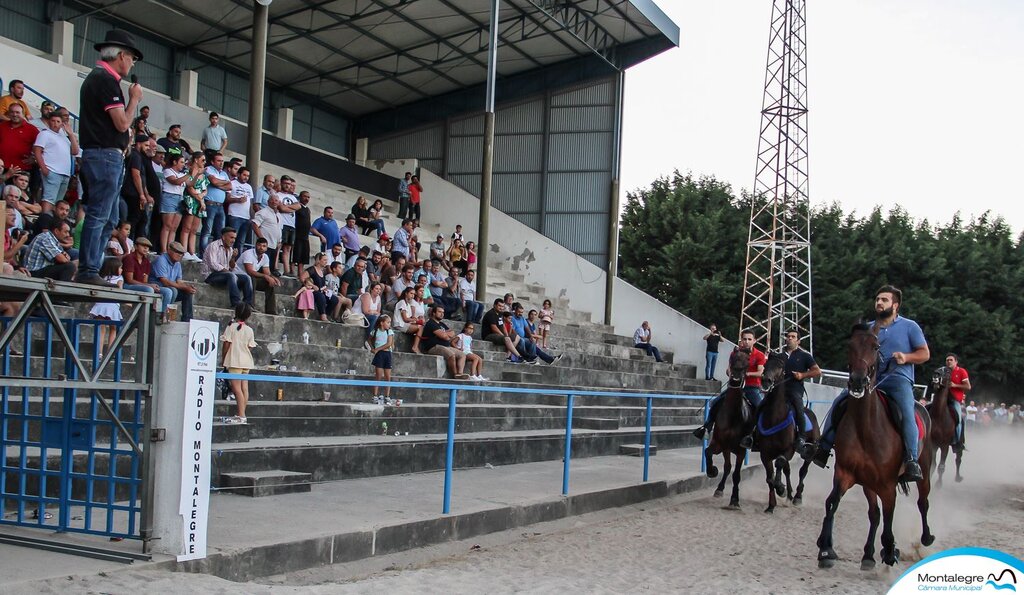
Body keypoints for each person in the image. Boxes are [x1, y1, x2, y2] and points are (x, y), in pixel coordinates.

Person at [809, 285, 929, 482]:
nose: (879, 303)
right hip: (870, 380)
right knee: (840, 401)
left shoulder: (910, 326)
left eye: (884, 300)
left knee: (908, 412)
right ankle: (823, 446)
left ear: (895, 305)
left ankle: (911, 459)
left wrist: (906, 357)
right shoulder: (870, 329)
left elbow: (925, 354)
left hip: (898, 380)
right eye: (877, 299)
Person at [77, 29, 143, 287]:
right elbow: (121, 122)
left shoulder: (100, 78)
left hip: (105, 154)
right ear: (122, 55)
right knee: (100, 214)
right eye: (132, 58)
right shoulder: (105, 79)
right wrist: (134, 100)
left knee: (111, 217)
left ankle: (92, 266)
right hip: (104, 155)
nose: (132, 63)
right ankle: (88, 268)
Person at [741, 329, 821, 455]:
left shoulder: (805, 356)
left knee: (799, 408)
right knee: (761, 405)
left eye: (793, 337)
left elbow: (817, 371)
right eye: (788, 336)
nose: (789, 338)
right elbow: (769, 370)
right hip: (777, 390)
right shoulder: (779, 356)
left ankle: (801, 437)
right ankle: (751, 435)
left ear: (798, 341)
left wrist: (802, 375)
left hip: (794, 389)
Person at [692, 329, 768, 440]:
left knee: (760, 407)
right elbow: (728, 370)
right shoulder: (735, 353)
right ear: (741, 340)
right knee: (715, 402)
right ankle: (706, 428)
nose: (746, 341)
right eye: (744, 339)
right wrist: (731, 373)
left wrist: (746, 374)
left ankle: (757, 434)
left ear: (754, 341)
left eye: (749, 339)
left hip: (751, 387)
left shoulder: (759, 355)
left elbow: (760, 372)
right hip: (735, 386)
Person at [32, 111, 77, 212]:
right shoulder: (45, 134)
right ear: (48, 122)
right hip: (52, 171)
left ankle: (54, 223)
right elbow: (37, 150)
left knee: (58, 202)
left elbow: (75, 151)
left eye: (58, 121)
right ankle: (45, 221)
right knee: (49, 199)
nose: (55, 123)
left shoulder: (64, 138)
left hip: (65, 173)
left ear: (61, 123)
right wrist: (43, 168)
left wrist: (70, 134)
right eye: (53, 121)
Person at [221, 303, 256, 425]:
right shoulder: (249, 330)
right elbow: (250, 346)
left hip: (235, 361)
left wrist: (224, 358)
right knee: (244, 388)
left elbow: (226, 344)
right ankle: (242, 414)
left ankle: (241, 416)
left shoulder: (231, 327)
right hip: (246, 361)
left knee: (237, 389)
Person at [121, 237, 172, 318]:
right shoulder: (129, 258)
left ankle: (160, 316)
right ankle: (145, 316)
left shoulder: (147, 261)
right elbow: (129, 280)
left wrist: (151, 285)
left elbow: (145, 280)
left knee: (167, 291)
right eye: (143, 245)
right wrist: (149, 286)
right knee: (149, 289)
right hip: (127, 285)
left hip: (141, 285)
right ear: (136, 246)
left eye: (147, 247)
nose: (146, 248)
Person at [202, 227, 252, 308]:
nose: (233, 240)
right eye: (231, 237)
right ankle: (236, 304)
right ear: (223, 237)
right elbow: (213, 264)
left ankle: (247, 305)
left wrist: (232, 258)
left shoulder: (230, 249)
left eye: (235, 238)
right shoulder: (214, 246)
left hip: (225, 276)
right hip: (210, 276)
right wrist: (227, 271)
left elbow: (232, 268)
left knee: (247, 278)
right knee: (231, 275)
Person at [88, 257, 124, 358]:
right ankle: (110, 351)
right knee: (113, 329)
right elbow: (120, 291)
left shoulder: (100, 277)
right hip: (112, 306)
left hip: (100, 305)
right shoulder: (119, 279)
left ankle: (99, 352)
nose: (122, 270)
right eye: (120, 268)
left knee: (101, 328)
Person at [422, 305, 469, 379]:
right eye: (439, 312)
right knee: (451, 355)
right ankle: (455, 375)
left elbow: (452, 333)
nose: (442, 314)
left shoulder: (442, 324)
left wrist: (445, 334)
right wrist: (445, 335)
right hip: (434, 347)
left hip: (446, 346)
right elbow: (444, 337)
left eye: (443, 312)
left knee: (462, 355)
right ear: (434, 313)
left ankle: (460, 373)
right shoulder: (431, 323)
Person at [151, 241, 195, 322]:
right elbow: (165, 282)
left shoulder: (177, 264)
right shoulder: (161, 260)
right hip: (157, 287)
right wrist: (183, 287)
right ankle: (164, 316)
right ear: (169, 250)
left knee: (187, 292)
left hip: (170, 288)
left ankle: (187, 320)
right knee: (172, 291)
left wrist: (187, 287)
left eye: (181, 253)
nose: (179, 255)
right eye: (177, 252)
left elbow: (179, 281)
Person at [235, 237, 280, 315]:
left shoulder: (265, 257)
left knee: (269, 283)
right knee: (252, 278)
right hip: (238, 277)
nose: (261, 248)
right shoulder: (248, 253)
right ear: (255, 245)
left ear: (266, 248)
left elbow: (267, 272)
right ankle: (250, 305)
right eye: (259, 245)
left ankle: (271, 310)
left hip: (250, 280)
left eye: (264, 246)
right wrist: (266, 276)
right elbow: (250, 271)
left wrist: (273, 278)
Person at [179, 152, 208, 262]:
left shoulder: (204, 175)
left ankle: (192, 252)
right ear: (196, 160)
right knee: (186, 227)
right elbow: (190, 188)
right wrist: (200, 199)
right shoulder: (188, 171)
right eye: (203, 160)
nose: (204, 162)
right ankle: (184, 250)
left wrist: (202, 197)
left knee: (194, 229)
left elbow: (205, 189)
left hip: (200, 202)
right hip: (191, 200)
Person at [159, 153, 189, 253]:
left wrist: (196, 174)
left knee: (174, 227)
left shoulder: (182, 174)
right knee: (167, 225)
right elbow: (175, 181)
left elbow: (190, 184)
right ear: (174, 162)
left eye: (184, 163)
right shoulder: (168, 171)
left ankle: (170, 249)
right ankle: (164, 250)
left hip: (180, 199)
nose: (183, 165)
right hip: (169, 196)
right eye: (181, 162)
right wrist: (189, 174)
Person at [250, 194, 282, 275]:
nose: (274, 202)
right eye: (272, 200)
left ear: (279, 202)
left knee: (270, 269)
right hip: (265, 246)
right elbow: (254, 224)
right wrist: (262, 240)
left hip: (274, 245)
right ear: (268, 202)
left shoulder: (279, 215)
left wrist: (279, 241)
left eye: (276, 200)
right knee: (262, 269)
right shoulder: (263, 212)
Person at [946, 353, 971, 452]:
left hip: (954, 400)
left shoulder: (961, 371)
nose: (948, 362)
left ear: (956, 361)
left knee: (959, 419)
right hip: (943, 399)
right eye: (947, 360)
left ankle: (958, 442)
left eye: (951, 360)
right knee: (927, 410)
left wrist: (955, 385)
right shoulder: (943, 371)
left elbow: (968, 386)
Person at [368, 314, 395, 403]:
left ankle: (387, 395)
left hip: (387, 354)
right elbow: (369, 340)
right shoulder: (375, 331)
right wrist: (372, 348)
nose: (389, 324)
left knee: (388, 376)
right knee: (378, 376)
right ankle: (375, 395)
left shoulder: (389, 332)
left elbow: (389, 344)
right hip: (379, 355)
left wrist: (377, 349)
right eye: (388, 322)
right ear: (382, 323)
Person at [292, 190, 313, 270]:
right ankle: (291, 270)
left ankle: (300, 274)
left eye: (308, 197)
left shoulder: (308, 209)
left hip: (305, 236)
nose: (306, 199)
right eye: (305, 196)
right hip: (297, 235)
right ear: (300, 197)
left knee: (303, 258)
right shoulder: (297, 206)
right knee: (295, 255)